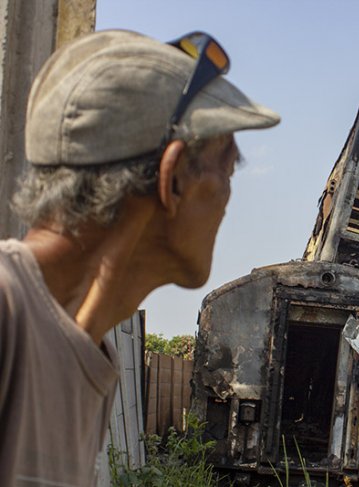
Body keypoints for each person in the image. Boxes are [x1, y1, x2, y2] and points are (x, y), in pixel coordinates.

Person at [0, 29, 279, 486]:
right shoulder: (8, 313)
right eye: (226, 170)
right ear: (172, 180)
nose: (229, 198)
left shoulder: (83, 357)